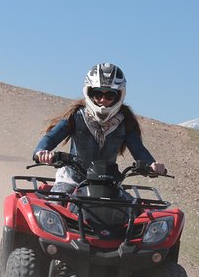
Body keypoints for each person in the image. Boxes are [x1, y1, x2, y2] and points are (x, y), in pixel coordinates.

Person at [34, 63, 166, 193]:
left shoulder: (125, 122)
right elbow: (51, 137)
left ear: (120, 95)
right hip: (72, 181)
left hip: (110, 184)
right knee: (57, 204)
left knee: (132, 211)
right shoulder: (76, 116)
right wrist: (41, 152)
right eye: (97, 94)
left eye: (110, 95)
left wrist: (152, 165)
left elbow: (138, 149)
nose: (103, 100)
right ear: (89, 92)